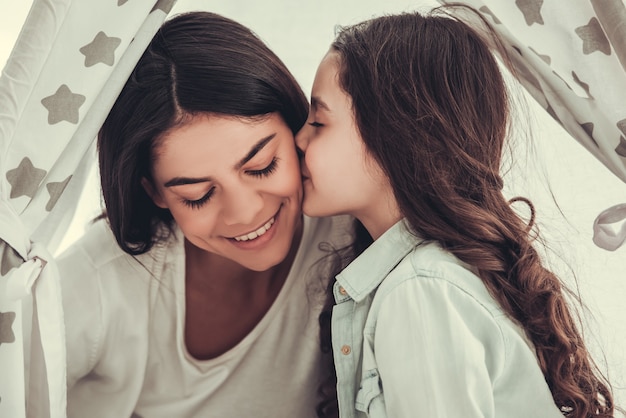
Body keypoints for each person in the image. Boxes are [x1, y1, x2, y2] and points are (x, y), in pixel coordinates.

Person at [295, 6, 616, 418]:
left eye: (319, 122)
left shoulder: (421, 290)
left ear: (396, 135)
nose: (299, 138)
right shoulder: (433, 277)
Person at [57, 11, 353, 418]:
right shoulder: (100, 279)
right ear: (154, 192)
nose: (245, 212)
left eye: (262, 165)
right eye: (198, 195)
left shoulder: (350, 228)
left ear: (298, 129)